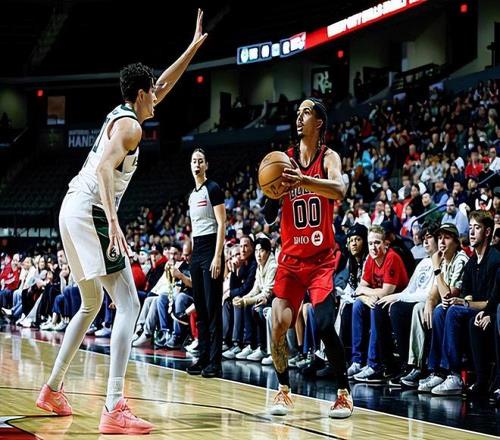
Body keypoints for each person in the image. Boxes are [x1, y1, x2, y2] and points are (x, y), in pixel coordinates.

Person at [36, 9, 207, 435]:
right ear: (141, 94)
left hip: (70, 208)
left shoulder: (126, 111)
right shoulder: (131, 128)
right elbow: (103, 170)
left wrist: (192, 48)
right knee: (129, 303)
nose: (158, 98)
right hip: (91, 209)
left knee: (91, 303)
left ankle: (52, 389)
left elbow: (163, 83)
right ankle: (114, 405)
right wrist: (114, 222)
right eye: (153, 93)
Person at [263, 97, 353, 418]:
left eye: (306, 112)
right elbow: (268, 215)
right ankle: (283, 390)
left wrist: (303, 181)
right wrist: (273, 192)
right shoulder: (283, 161)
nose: (299, 118)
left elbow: (339, 190)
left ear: (319, 122)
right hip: (290, 260)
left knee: (325, 325)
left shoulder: (329, 158)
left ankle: (343, 393)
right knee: (278, 322)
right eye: (297, 113)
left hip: (320, 260)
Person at [185, 147, 226, 378]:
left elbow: (222, 223)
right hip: (197, 250)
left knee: (212, 309)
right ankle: (202, 357)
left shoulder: (213, 188)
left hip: (211, 249)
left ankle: (215, 362)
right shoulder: (192, 195)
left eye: (200, 161)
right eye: (194, 161)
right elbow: (194, 229)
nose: (197, 165)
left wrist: (218, 256)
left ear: (206, 165)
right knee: (200, 309)